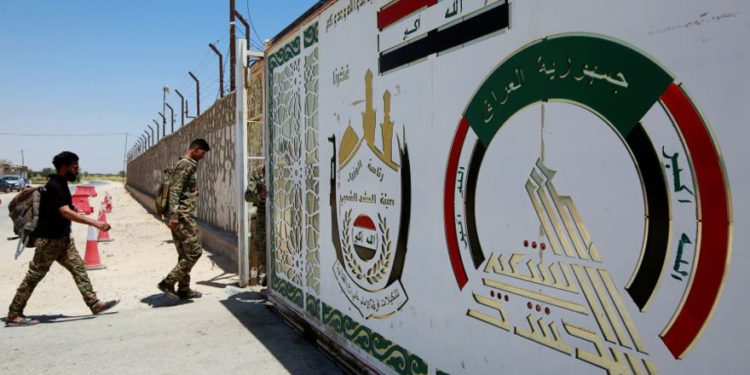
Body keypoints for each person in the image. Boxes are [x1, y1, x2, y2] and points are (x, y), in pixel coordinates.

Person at [5, 151, 119, 327]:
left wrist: (74, 210)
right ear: (65, 167)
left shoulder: (61, 184)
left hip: (63, 240)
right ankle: (14, 314)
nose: (77, 169)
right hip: (49, 241)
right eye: (74, 166)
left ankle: (94, 304)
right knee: (34, 277)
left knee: (79, 269)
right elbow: (64, 211)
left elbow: (64, 208)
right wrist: (96, 223)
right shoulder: (55, 185)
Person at [157, 139, 210, 301]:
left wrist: (193, 192)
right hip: (182, 216)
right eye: (202, 153)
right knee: (195, 252)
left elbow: (182, 188)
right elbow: (175, 190)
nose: (203, 157)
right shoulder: (186, 164)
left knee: (184, 253)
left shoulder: (186, 164)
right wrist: (174, 216)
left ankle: (184, 289)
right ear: (195, 149)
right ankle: (168, 282)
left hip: (181, 214)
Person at [244, 165, 267, 286]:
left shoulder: (284, 166)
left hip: (283, 214)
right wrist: (260, 196)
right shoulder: (258, 173)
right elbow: (247, 196)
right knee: (260, 245)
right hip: (263, 215)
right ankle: (267, 273)